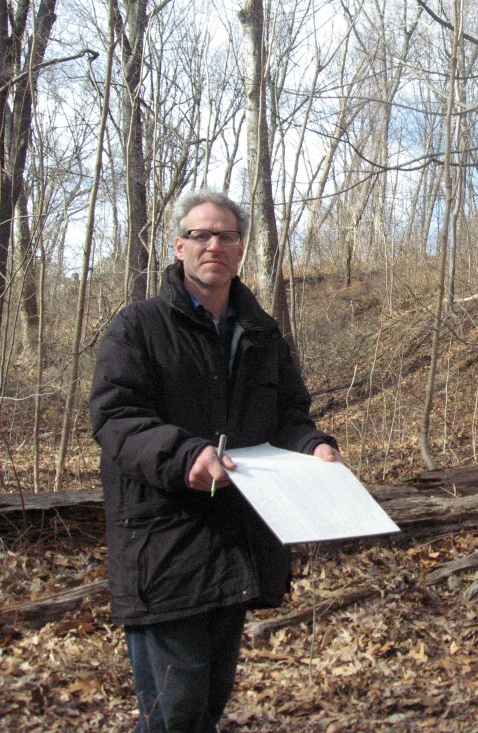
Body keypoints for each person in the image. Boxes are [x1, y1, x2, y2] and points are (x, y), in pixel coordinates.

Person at [89, 189, 342, 733]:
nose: (214, 245)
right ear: (179, 246)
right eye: (201, 234)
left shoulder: (261, 332)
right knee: (172, 713)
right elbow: (115, 419)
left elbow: (289, 415)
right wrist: (188, 456)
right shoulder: (138, 327)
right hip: (164, 546)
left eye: (226, 235)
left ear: (241, 248)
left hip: (236, 541)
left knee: (206, 706)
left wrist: (313, 446)